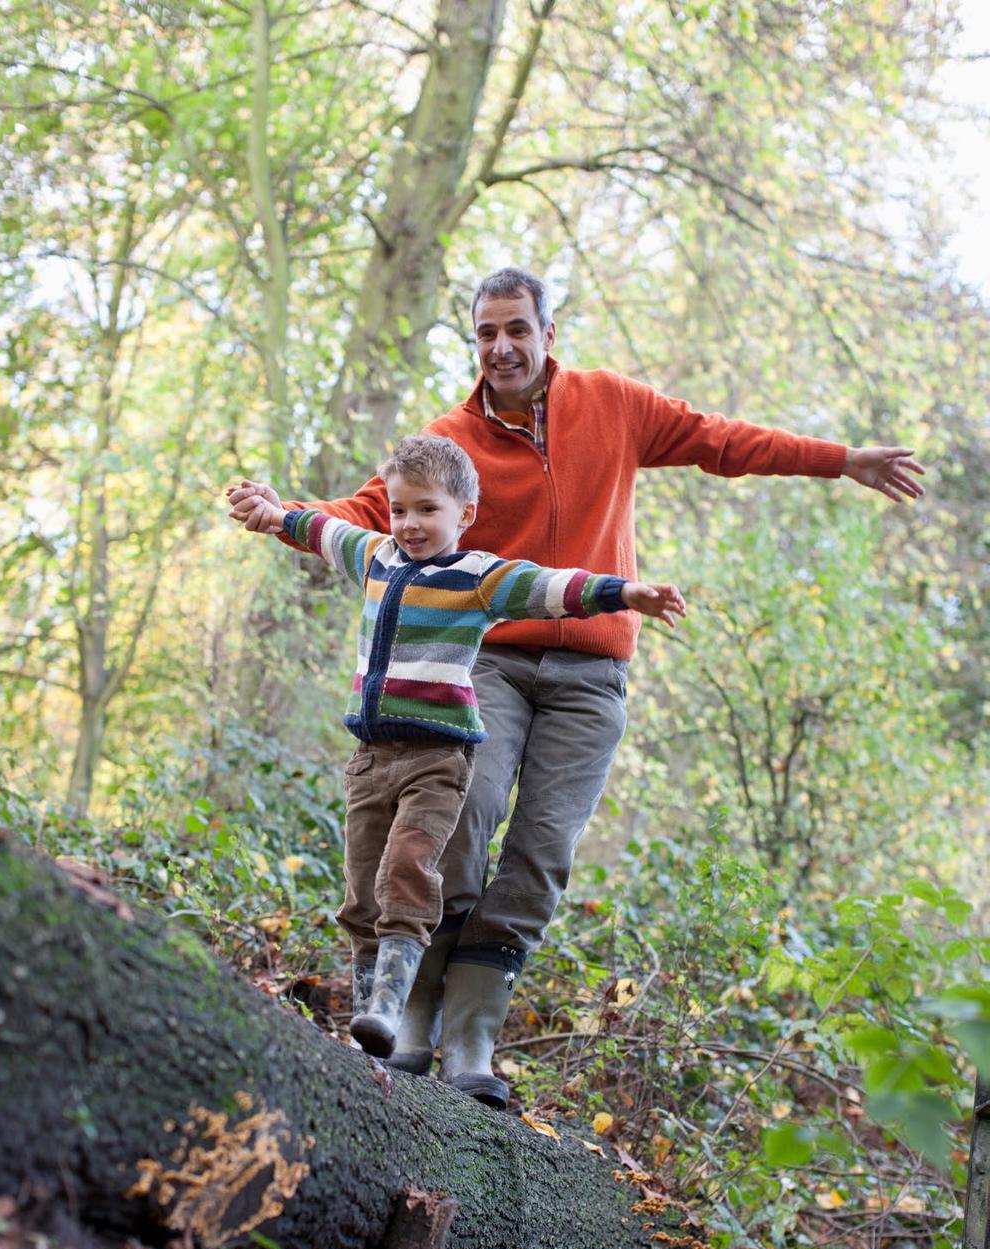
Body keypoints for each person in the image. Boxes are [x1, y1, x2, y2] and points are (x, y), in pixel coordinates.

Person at [229, 265, 925, 1109]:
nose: (502, 347)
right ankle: (410, 1018)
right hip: (490, 661)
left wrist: (842, 459)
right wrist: (281, 511)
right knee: (459, 815)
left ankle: (474, 1034)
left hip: (593, 672)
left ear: (547, 334)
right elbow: (373, 509)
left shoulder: (614, 404)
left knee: (542, 852)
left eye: (517, 329)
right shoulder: (453, 438)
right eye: (486, 333)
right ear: (474, 342)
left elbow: (721, 442)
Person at [228, 433, 685, 1081]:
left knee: (410, 869)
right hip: (371, 755)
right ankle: (370, 1020)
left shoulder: (477, 579)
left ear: (463, 514)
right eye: (399, 509)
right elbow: (322, 529)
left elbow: (547, 586)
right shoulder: (374, 556)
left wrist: (623, 594)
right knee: (362, 888)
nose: (410, 524)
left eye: (427, 510)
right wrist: (277, 515)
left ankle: (393, 1006)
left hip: (438, 759)